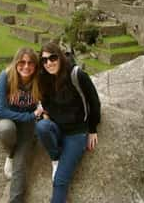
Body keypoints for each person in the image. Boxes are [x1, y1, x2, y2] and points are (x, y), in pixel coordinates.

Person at [36, 42, 101, 203]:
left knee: (59, 181)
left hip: (76, 133)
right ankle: (55, 158)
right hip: (58, 129)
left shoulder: (76, 74)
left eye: (52, 58)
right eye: (44, 60)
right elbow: (46, 105)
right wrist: (45, 115)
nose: (49, 63)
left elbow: (94, 102)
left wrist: (92, 129)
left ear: (60, 57)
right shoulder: (44, 79)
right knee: (42, 127)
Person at [0, 47, 44, 203]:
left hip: (26, 123)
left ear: (35, 66)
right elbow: (0, 110)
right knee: (7, 129)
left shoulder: (39, 81)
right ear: (16, 63)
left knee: (20, 164)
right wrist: (29, 116)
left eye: (30, 63)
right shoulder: (6, 76)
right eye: (22, 62)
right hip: (6, 117)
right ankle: (10, 153)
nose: (26, 66)